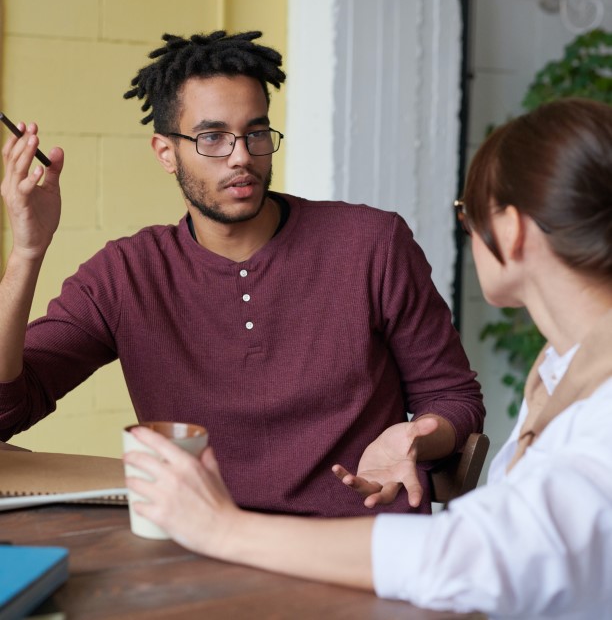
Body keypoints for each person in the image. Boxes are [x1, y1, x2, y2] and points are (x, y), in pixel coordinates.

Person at [125, 97, 612, 619]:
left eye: (467, 214)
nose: (240, 157)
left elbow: (481, 555)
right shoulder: (561, 368)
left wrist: (220, 527)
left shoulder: (600, 409)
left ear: (512, 230)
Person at [0, 30, 483, 517]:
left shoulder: (371, 243)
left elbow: (452, 396)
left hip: (359, 546)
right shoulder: (126, 275)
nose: (241, 156)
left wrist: (416, 436)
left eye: (256, 132)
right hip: (206, 549)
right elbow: (6, 409)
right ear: (165, 152)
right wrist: (27, 251)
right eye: (212, 137)